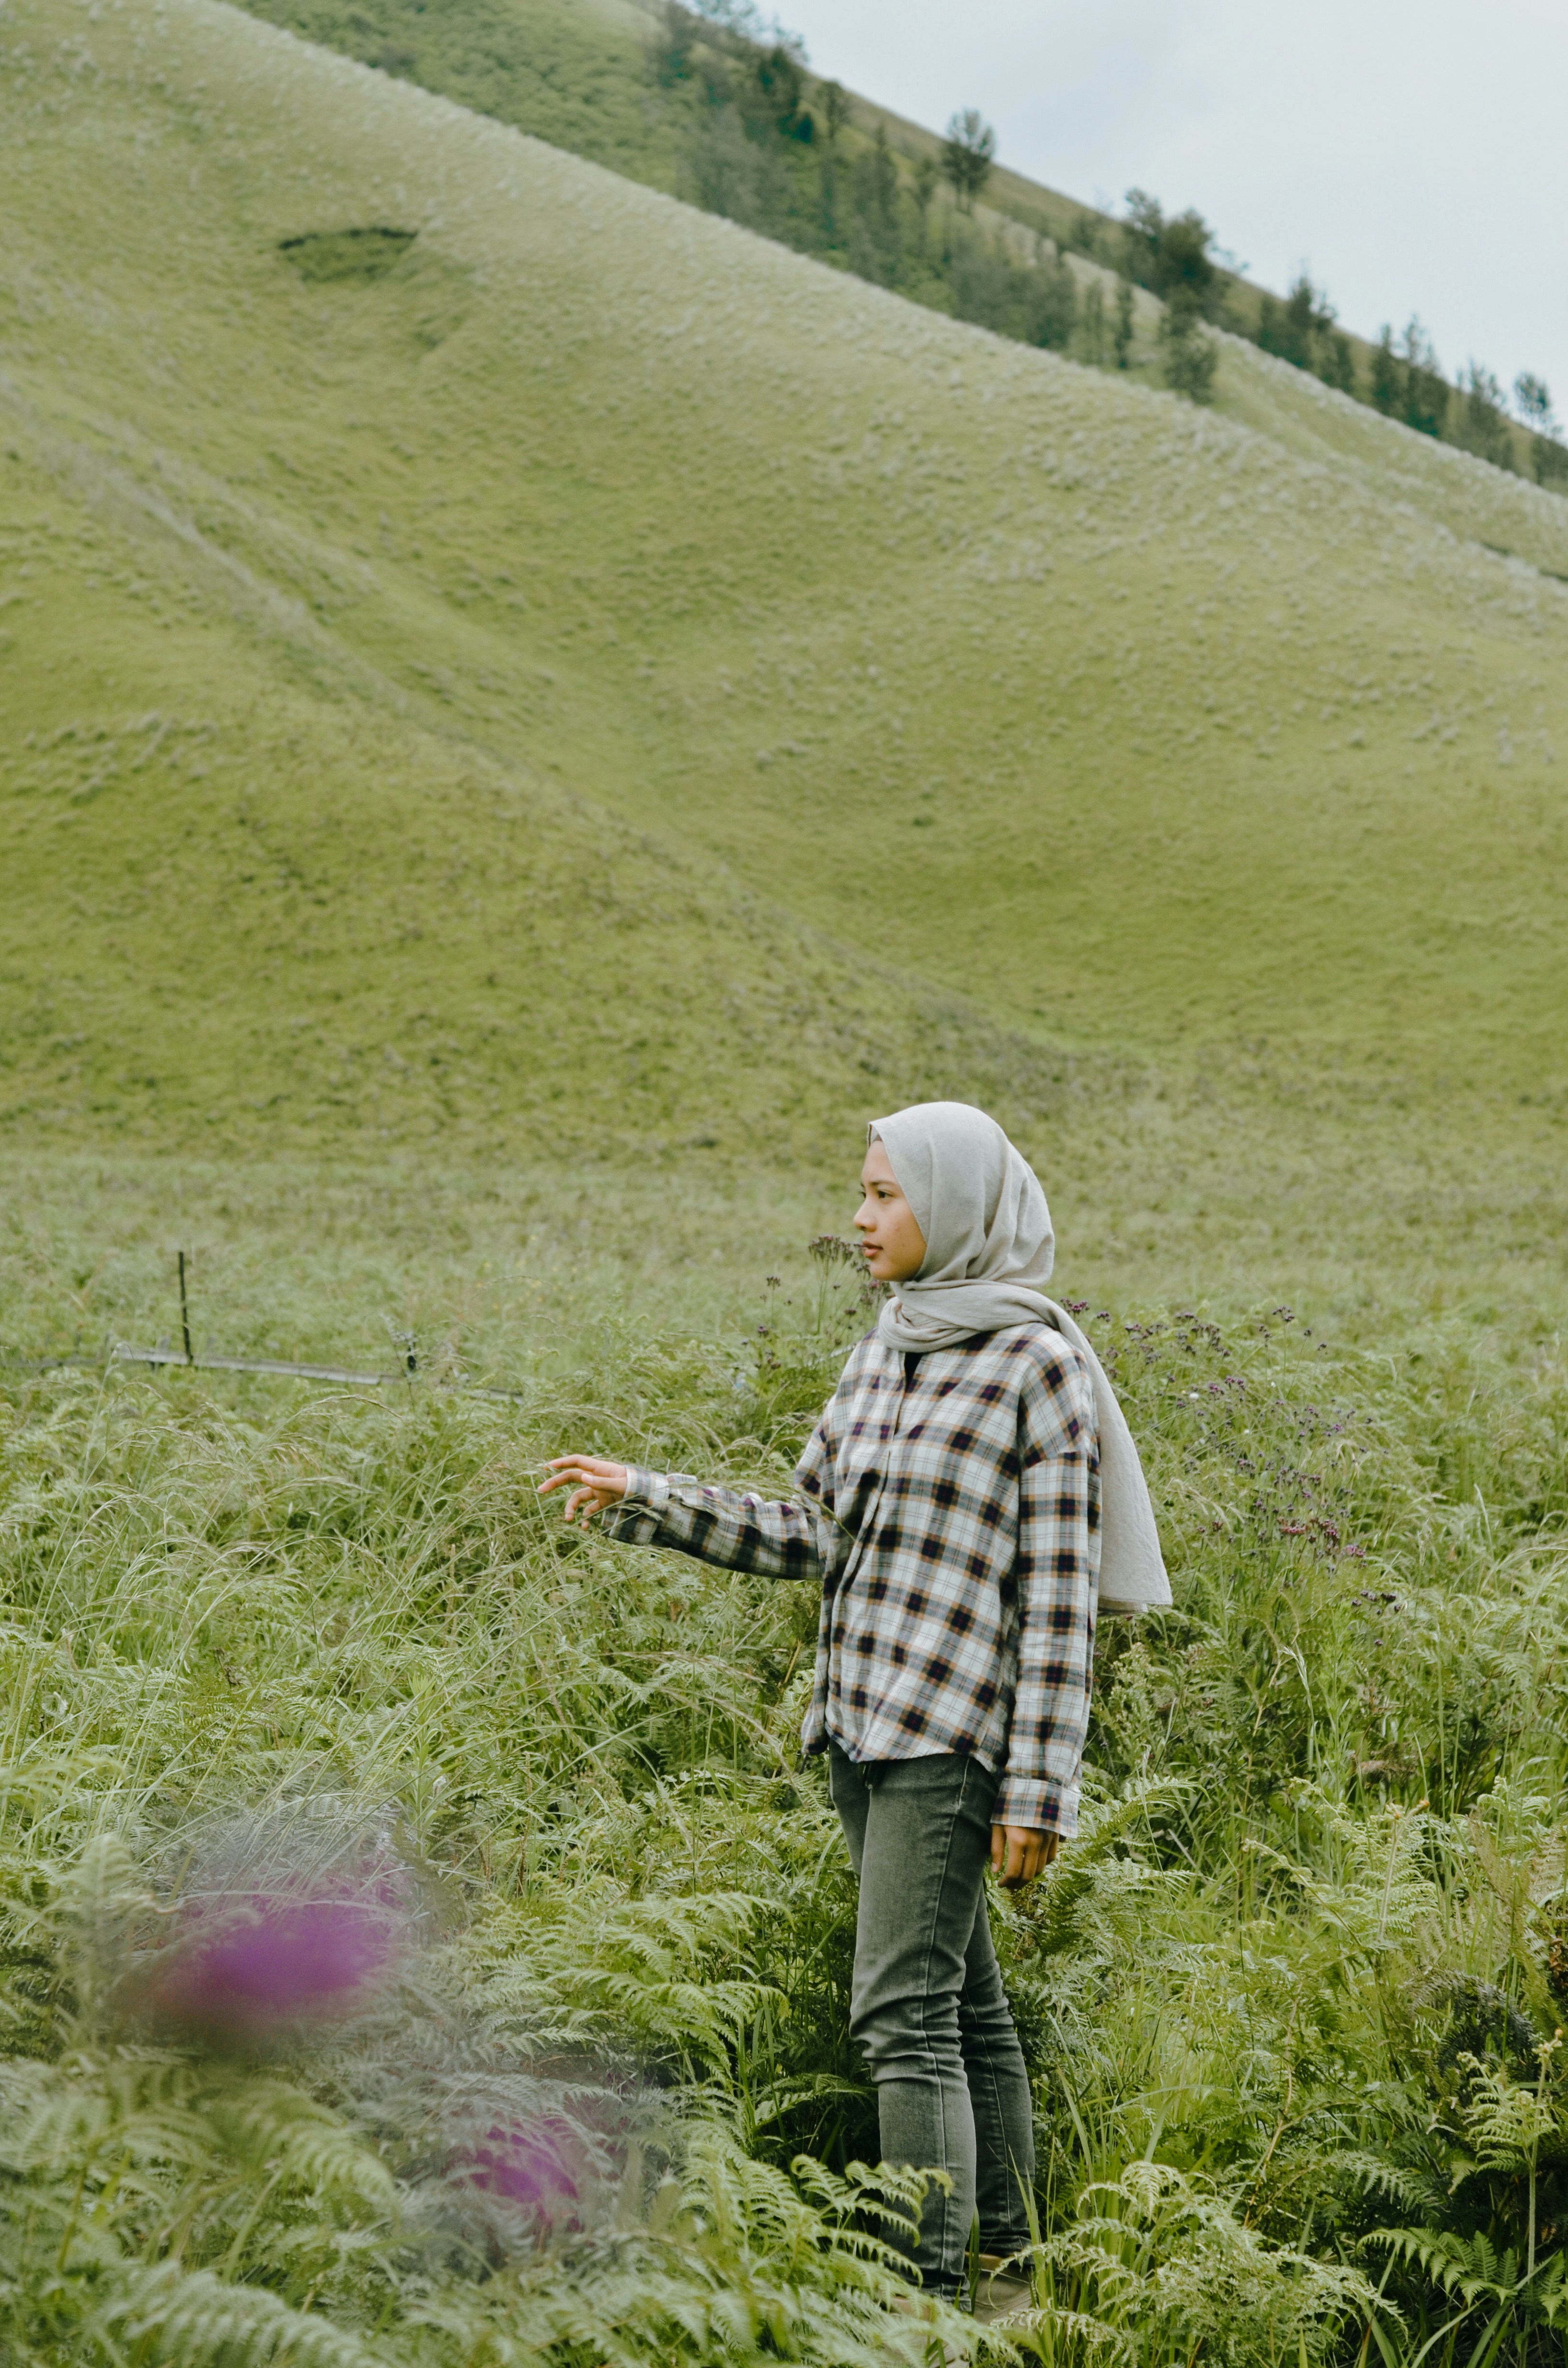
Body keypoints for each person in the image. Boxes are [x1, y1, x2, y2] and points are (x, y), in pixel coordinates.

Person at [541, 1100, 1168, 2319]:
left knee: (899, 2015)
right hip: (858, 1720)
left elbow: (1058, 1609)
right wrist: (646, 1496)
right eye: (862, 1190)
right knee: (960, 1998)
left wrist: (1039, 1792)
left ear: (959, 1204)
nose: (860, 1216)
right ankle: (1011, 2265)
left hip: (951, 1740)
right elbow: (812, 1528)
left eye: (885, 1194)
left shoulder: (1037, 1366)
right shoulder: (891, 1341)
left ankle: (922, 2303)